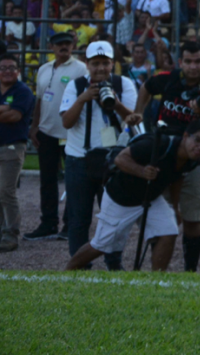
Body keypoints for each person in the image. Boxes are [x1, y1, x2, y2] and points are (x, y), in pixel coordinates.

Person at [66, 119, 200, 271]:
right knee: (102, 244)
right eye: (197, 140)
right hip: (121, 197)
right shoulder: (159, 144)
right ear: (185, 136)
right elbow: (120, 159)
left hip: (150, 197)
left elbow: (178, 178)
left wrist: (175, 208)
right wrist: (142, 171)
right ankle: (68, 270)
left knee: (168, 231)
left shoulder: (193, 159)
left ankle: (155, 281)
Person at [133, 40, 200, 272]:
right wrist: (138, 113)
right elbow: (146, 87)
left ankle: (190, 270)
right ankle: (157, 267)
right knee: (158, 217)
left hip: (197, 163)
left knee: (192, 219)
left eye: (198, 61)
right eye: (188, 61)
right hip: (164, 160)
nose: (193, 67)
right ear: (180, 62)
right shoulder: (169, 78)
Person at [59, 41, 138, 269]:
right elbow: (66, 122)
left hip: (113, 161)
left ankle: (114, 262)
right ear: (87, 64)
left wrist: (116, 103)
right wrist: (83, 98)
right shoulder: (76, 86)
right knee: (78, 217)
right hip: (79, 159)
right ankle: (79, 264)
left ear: (112, 64)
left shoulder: (124, 84)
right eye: (95, 63)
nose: (100, 68)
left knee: (114, 218)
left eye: (105, 63)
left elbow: (132, 121)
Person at [24, 32, 87, 241]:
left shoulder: (81, 69)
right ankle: (48, 223)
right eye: (60, 44)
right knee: (47, 180)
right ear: (51, 46)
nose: (64, 47)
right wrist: (34, 126)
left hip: (71, 133)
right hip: (47, 131)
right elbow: (40, 100)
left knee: (73, 181)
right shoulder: (43, 69)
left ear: (73, 46)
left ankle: (70, 225)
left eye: (68, 44)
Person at [0, 54, 35, 252]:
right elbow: (7, 113)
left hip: (12, 147)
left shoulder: (23, 91)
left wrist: (7, 110)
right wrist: (3, 109)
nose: (7, 71)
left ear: (19, 71)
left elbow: (14, 116)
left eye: (11, 68)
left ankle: (10, 234)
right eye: (3, 68)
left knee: (6, 191)